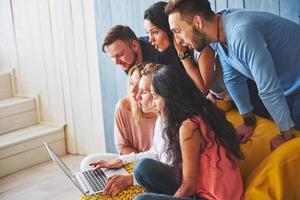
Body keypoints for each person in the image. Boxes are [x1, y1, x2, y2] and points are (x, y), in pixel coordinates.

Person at [165, 0, 300, 149]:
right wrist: (248, 121)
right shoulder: (217, 31)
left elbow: (268, 89)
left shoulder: (240, 33)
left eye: (177, 31)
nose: (177, 41)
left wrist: (286, 136)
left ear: (197, 22)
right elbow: (233, 78)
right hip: (288, 90)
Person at [134, 65, 243, 200]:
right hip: (201, 187)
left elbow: (188, 187)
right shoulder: (202, 111)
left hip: (210, 197)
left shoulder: (189, 127)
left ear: (170, 98)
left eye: (155, 97)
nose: (154, 104)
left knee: (141, 199)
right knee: (142, 167)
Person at [81, 63, 163, 196]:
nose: (134, 93)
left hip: (149, 169)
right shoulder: (125, 107)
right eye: (131, 83)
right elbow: (126, 147)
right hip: (140, 163)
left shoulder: (167, 120)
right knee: (88, 163)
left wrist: (132, 176)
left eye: (143, 90)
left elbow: (164, 164)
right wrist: (124, 160)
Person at [144, 1, 230, 102]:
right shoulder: (166, 54)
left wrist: (183, 54)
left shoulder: (199, 43)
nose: (150, 40)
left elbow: (203, 88)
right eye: (148, 33)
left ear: (168, 28)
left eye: (155, 32)